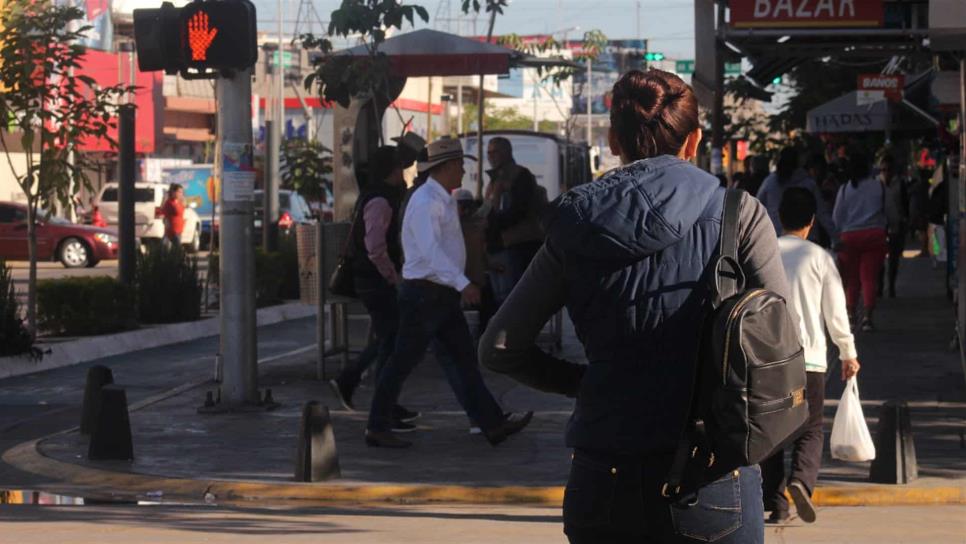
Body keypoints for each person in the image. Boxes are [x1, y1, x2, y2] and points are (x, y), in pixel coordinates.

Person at [479, 69, 789, 543]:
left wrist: (584, 382)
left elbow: (499, 348)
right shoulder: (738, 214)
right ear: (694, 140)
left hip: (604, 472)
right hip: (709, 473)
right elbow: (780, 340)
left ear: (612, 139)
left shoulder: (573, 222)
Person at [364, 139, 533, 449]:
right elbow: (430, 252)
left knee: (462, 360)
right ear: (447, 167)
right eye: (460, 165)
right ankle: (376, 425)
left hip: (438, 295)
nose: (464, 170)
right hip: (424, 294)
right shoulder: (428, 201)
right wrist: (462, 283)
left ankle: (492, 424)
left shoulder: (440, 198)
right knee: (402, 362)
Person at [761, 188, 861, 525]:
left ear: (780, 217)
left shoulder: (764, 253)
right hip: (812, 360)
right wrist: (848, 353)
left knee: (771, 432)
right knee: (811, 428)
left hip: (769, 362)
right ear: (812, 221)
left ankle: (777, 505)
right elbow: (836, 313)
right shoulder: (819, 257)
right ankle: (801, 480)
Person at [328, 146, 419, 430]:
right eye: (400, 166)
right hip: (375, 279)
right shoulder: (380, 200)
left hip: (376, 278)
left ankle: (383, 401)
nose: (404, 171)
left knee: (388, 339)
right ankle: (353, 381)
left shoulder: (383, 195)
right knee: (390, 337)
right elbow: (375, 248)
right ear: (392, 169)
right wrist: (393, 277)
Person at [484, 137, 546, 305]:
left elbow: (519, 210)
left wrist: (494, 223)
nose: (491, 156)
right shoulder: (494, 178)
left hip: (516, 244)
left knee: (510, 298)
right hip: (498, 244)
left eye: (495, 152)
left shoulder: (520, 175)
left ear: (506, 152)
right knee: (499, 297)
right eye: (488, 153)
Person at [833, 151, 887, 332]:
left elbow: (837, 217)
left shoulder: (846, 188)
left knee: (851, 279)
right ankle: (867, 317)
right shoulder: (878, 186)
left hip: (849, 238)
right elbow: (889, 211)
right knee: (869, 278)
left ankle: (850, 315)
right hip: (875, 236)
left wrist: (838, 236)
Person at [757, 147, 836, 246]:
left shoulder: (769, 182)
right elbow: (822, 212)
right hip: (807, 240)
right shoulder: (808, 183)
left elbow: (757, 208)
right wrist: (835, 237)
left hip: (776, 239)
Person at [878, 153, 909, 297]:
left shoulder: (900, 183)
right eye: (883, 169)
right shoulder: (876, 183)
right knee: (879, 258)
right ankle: (879, 286)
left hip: (897, 224)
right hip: (880, 225)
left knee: (894, 258)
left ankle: (891, 287)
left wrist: (905, 221)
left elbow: (905, 203)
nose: (886, 172)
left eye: (888, 169)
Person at [161, 183, 185, 248]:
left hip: (179, 229)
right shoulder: (169, 203)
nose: (181, 194)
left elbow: (181, 212)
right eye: (179, 192)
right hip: (173, 231)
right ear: (173, 192)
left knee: (175, 249)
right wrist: (167, 228)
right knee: (178, 248)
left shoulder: (179, 202)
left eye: (182, 192)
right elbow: (165, 215)